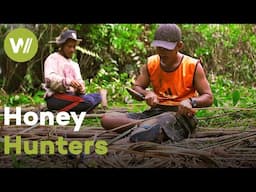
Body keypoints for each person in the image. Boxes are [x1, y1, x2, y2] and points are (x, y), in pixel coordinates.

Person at [101, 24, 213, 143]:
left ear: (179, 46)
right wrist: (147, 93)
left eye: (167, 48)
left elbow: (208, 97)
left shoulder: (192, 65)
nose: (162, 52)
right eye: (159, 48)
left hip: (179, 115)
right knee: (107, 118)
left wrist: (191, 102)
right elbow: (137, 87)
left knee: (166, 120)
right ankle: (147, 127)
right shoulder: (151, 63)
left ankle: (150, 128)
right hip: (154, 113)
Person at [43, 28, 107, 113]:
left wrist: (81, 88)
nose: (72, 50)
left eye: (74, 47)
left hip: (72, 96)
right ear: (62, 46)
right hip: (56, 97)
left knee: (98, 97)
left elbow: (80, 81)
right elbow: (49, 79)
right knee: (89, 101)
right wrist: (67, 82)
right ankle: (75, 108)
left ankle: (78, 107)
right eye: (69, 46)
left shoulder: (74, 65)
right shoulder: (53, 58)